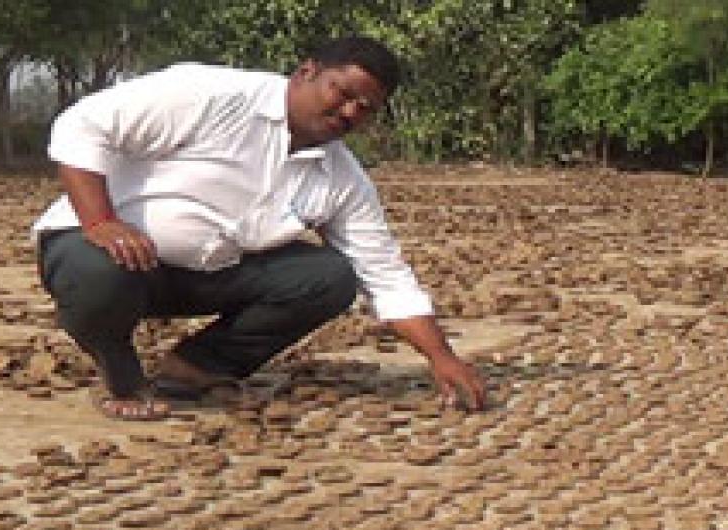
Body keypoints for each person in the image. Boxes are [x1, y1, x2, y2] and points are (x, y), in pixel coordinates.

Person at [32, 36, 487, 420]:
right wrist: (101, 220)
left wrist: (442, 359)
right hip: (107, 254)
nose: (349, 111)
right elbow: (82, 125)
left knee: (330, 277)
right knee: (98, 275)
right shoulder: (211, 94)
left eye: (364, 108)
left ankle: (195, 367)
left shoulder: (342, 178)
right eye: (342, 92)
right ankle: (120, 372)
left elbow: (384, 273)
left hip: (209, 273)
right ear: (306, 72)